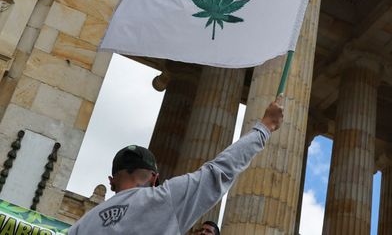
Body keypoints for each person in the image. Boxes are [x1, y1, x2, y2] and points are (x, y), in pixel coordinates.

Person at [68, 97, 284, 234]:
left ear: (112, 181)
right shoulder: (162, 200)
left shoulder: (84, 224)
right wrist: (265, 127)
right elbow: (219, 172)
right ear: (154, 178)